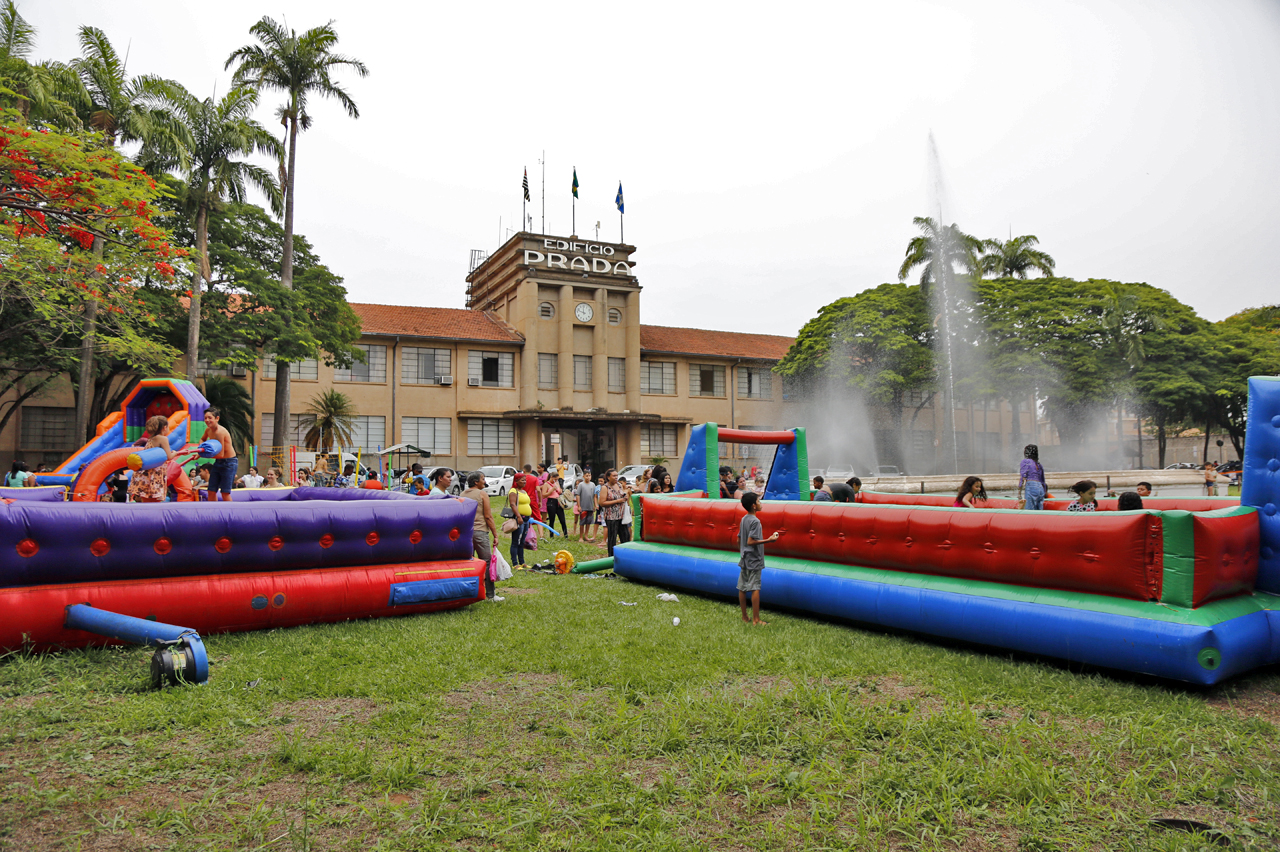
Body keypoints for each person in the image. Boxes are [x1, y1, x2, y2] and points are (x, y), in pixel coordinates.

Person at [738, 491, 781, 627]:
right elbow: (751, 541)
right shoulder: (756, 522)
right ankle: (756, 620)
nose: (761, 503)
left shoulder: (744, 519)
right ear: (754, 506)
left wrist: (742, 551)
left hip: (744, 557)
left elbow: (739, 538)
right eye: (759, 501)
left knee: (742, 587)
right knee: (755, 587)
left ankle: (745, 616)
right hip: (754, 559)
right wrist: (768, 540)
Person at [463, 471, 503, 601]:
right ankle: (490, 595)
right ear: (476, 482)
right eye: (483, 479)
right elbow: (488, 516)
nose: (484, 481)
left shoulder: (462, 494)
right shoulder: (482, 494)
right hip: (479, 531)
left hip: (465, 533)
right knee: (486, 562)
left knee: (468, 563)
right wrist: (495, 534)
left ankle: (468, 593)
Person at [127, 415, 175, 503]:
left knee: (146, 501)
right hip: (155, 475)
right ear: (165, 427)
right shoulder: (163, 438)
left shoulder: (151, 439)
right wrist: (175, 453)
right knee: (154, 502)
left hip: (146, 474)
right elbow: (169, 457)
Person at [202, 408, 238, 503]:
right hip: (219, 462)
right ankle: (213, 513)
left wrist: (203, 455)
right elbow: (202, 439)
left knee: (225, 493)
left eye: (210, 418)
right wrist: (201, 448)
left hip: (229, 462)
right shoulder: (208, 430)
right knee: (211, 491)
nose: (207, 420)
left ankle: (231, 514)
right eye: (205, 418)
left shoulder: (220, 432)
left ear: (217, 418)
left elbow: (220, 454)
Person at [599, 468, 630, 556]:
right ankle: (611, 557)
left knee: (625, 537)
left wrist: (624, 498)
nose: (616, 477)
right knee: (612, 538)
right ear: (608, 477)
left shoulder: (619, 485)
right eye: (614, 476)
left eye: (617, 475)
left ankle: (626, 555)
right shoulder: (605, 488)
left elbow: (621, 495)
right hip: (611, 517)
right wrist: (617, 501)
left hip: (622, 516)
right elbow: (602, 503)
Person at [508, 473, 533, 569]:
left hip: (526, 518)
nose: (524, 482)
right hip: (519, 518)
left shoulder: (523, 491)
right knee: (516, 541)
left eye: (525, 480)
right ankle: (515, 563)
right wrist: (518, 516)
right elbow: (513, 504)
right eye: (522, 480)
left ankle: (522, 562)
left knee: (522, 541)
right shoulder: (513, 491)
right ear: (516, 481)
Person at [1019, 444, 1047, 511]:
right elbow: (1043, 481)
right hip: (1040, 488)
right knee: (1039, 511)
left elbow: (1023, 477)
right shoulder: (1039, 465)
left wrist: (1019, 492)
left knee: (1029, 510)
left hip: (1031, 486)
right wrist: (1045, 491)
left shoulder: (1026, 461)